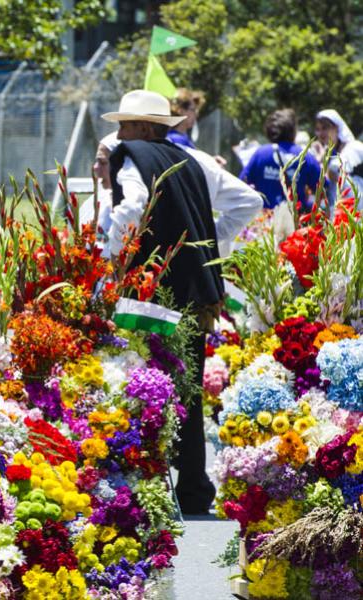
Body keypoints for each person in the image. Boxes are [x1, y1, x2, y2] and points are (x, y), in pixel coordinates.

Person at [102, 90, 262, 514]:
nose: (118, 134)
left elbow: (131, 209)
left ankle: (145, 485)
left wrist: (108, 257)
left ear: (143, 128)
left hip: (149, 296)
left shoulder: (132, 157)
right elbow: (250, 202)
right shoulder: (197, 160)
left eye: (125, 125)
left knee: (142, 382)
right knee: (187, 388)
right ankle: (193, 488)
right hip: (196, 296)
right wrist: (205, 243)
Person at [239, 109, 324, 210]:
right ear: (293, 131)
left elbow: (242, 184)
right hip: (296, 221)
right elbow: (322, 189)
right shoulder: (305, 156)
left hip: (265, 221)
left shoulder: (260, 154)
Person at [313, 109, 363, 206]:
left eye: (325, 128)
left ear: (337, 128)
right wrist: (319, 159)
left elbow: (334, 173)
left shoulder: (355, 148)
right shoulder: (326, 154)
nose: (321, 133)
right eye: (318, 129)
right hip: (339, 213)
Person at [167, 89, 227, 167]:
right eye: (193, 110)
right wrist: (211, 163)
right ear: (180, 110)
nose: (196, 114)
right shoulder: (175, 139)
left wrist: (211, 160)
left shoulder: (181, 138)